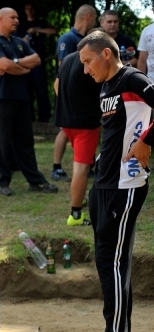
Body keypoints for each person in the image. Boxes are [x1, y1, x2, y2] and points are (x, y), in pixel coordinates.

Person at [74, 31, 151, 332]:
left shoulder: (133, 78)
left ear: (106, 54)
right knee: (107, 264)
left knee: (116, 265)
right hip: (104, 185)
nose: (86, 70)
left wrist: (148, 140)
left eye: (89, 62)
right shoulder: (106, 85)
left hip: (126, 185)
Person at [0, 7, 57, 196]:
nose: (17, 20)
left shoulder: (18, 42)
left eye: (17, 17)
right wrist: (18, 66)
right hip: (1, 98)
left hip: (21, 98)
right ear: (0, 19)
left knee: (25, 142)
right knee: (1, 142)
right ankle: (1, 182)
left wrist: (14, 62)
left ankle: (35, 181)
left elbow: (37, 60)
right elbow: (5, 65)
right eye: (13, 17)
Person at [53, 33, 103, 228]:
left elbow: (57, 84)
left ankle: (80, 199)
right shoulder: (90, 64)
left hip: (67, 122)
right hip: (85, 125)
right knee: (81, 169)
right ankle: (75, 214)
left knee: (85, 165)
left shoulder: (67, 59)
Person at [52, 4, 97, 181]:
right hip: (70, 99)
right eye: (94, 17)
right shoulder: (68, 38)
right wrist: (65, 99)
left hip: (81, 100)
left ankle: (87, 164)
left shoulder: (85, 39)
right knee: (65, 130)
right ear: (88, 17)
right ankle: (57, 167)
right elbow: (61, 72)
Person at [16, 2, 56, 123]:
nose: (30, 11)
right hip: (25, 62)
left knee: (41, 89)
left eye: (32, 8)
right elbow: (17, 42)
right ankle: (29, 117)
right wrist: (28, 35)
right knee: (27, 90)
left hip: (39, 62)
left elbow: (53, 31)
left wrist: (38, 31)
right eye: (28, 9)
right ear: (25, 10)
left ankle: (44, 117)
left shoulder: (41, 23)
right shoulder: (21, 25)